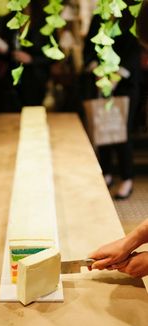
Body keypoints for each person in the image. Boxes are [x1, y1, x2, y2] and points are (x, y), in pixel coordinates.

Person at [88, 0, 148, 280]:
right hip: (103, 84)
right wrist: (132, 240)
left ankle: (123, 175)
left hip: (123, 87)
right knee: (106, 135)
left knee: (121, 136)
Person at [82, 1, 141, 200]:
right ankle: (105, 172)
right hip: (99, 81)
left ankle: (127, 178)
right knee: (102, 128)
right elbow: (88, 49)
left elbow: (134, 52)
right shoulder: (99, 15)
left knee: (122, 131)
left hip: (125, 84)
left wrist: (115, 77)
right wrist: (98, 73)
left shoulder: (132, 15)